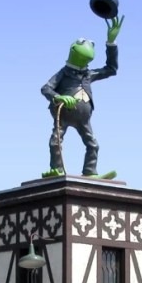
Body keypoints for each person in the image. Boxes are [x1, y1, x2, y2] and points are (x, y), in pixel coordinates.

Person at [40, 16, 123, 178]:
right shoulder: (64, 73)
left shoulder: (88, 74)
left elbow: (111, 69)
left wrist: (111, 43)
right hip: (63, 114)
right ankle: (56, 169)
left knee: (93, 145)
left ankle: (90, 172)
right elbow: (46, 88)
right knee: (56, 140)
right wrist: (59, 97)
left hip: (83, 118)